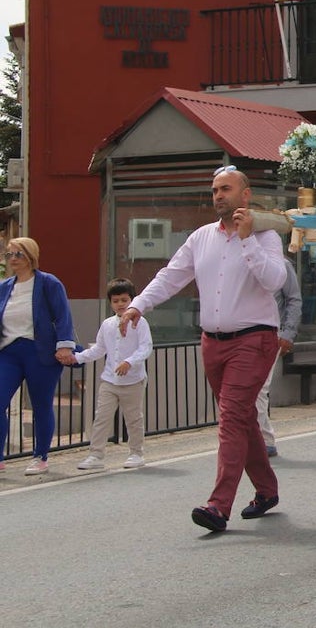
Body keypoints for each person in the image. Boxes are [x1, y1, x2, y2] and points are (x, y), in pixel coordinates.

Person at [123, 168, 287, 531]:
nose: (218, 196)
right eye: (214, 190)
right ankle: (267, 490)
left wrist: (246, 240)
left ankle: (218, 506)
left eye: (226, 189)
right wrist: (138, 305)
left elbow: (275, 280)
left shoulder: (266, 235)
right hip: (213, 342)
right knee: (241, 418)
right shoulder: (201, 237)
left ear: (245, 195)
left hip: (254, 338)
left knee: (230, 418)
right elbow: (171, 276)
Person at [0, 238, 76, 475]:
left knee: (41, 405)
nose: (13, 259)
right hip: (9, 352)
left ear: (31, 256)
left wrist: (65, 345)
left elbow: (63, 315)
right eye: (9, 254)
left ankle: (40, 456)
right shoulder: (4, 287)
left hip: (39, 351)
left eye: (18, 254)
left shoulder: (48, 283)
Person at [73, 279, 153, 470]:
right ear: (110, 303)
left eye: (124, 300)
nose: (120, 304)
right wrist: (77, 358)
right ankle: (96, 455)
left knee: (133, 418)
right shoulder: (107, 324)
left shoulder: (140, 322)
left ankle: (136, 452)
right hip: (109, 379)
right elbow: (99, 349)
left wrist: (129, 362)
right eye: (116, 300)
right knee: (101, 417)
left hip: (133, 380)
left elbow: (146, 347)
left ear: (132, 300)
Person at [257, 258, 301, 457]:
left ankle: (263, 441)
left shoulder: (281, 264)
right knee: (250, 390)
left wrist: (287, 333)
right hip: (242, 334)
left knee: (260, 388)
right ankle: (261, 438)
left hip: (271, 334)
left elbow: (293, 299)